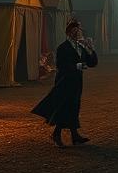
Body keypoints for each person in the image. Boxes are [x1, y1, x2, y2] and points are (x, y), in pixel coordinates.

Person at [31, 19, 98, 147]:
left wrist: (91, 49)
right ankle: (58, 134)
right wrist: (77, 66)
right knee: (63, 107)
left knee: (74, 107)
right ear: (69, 33)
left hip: (77, 82)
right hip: (64, 81)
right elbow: (61, 65)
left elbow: (92, 63)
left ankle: (74, 136)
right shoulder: (63, 47)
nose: (77, 33)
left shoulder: (82, 47)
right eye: (74, 31)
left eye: (78, 31)